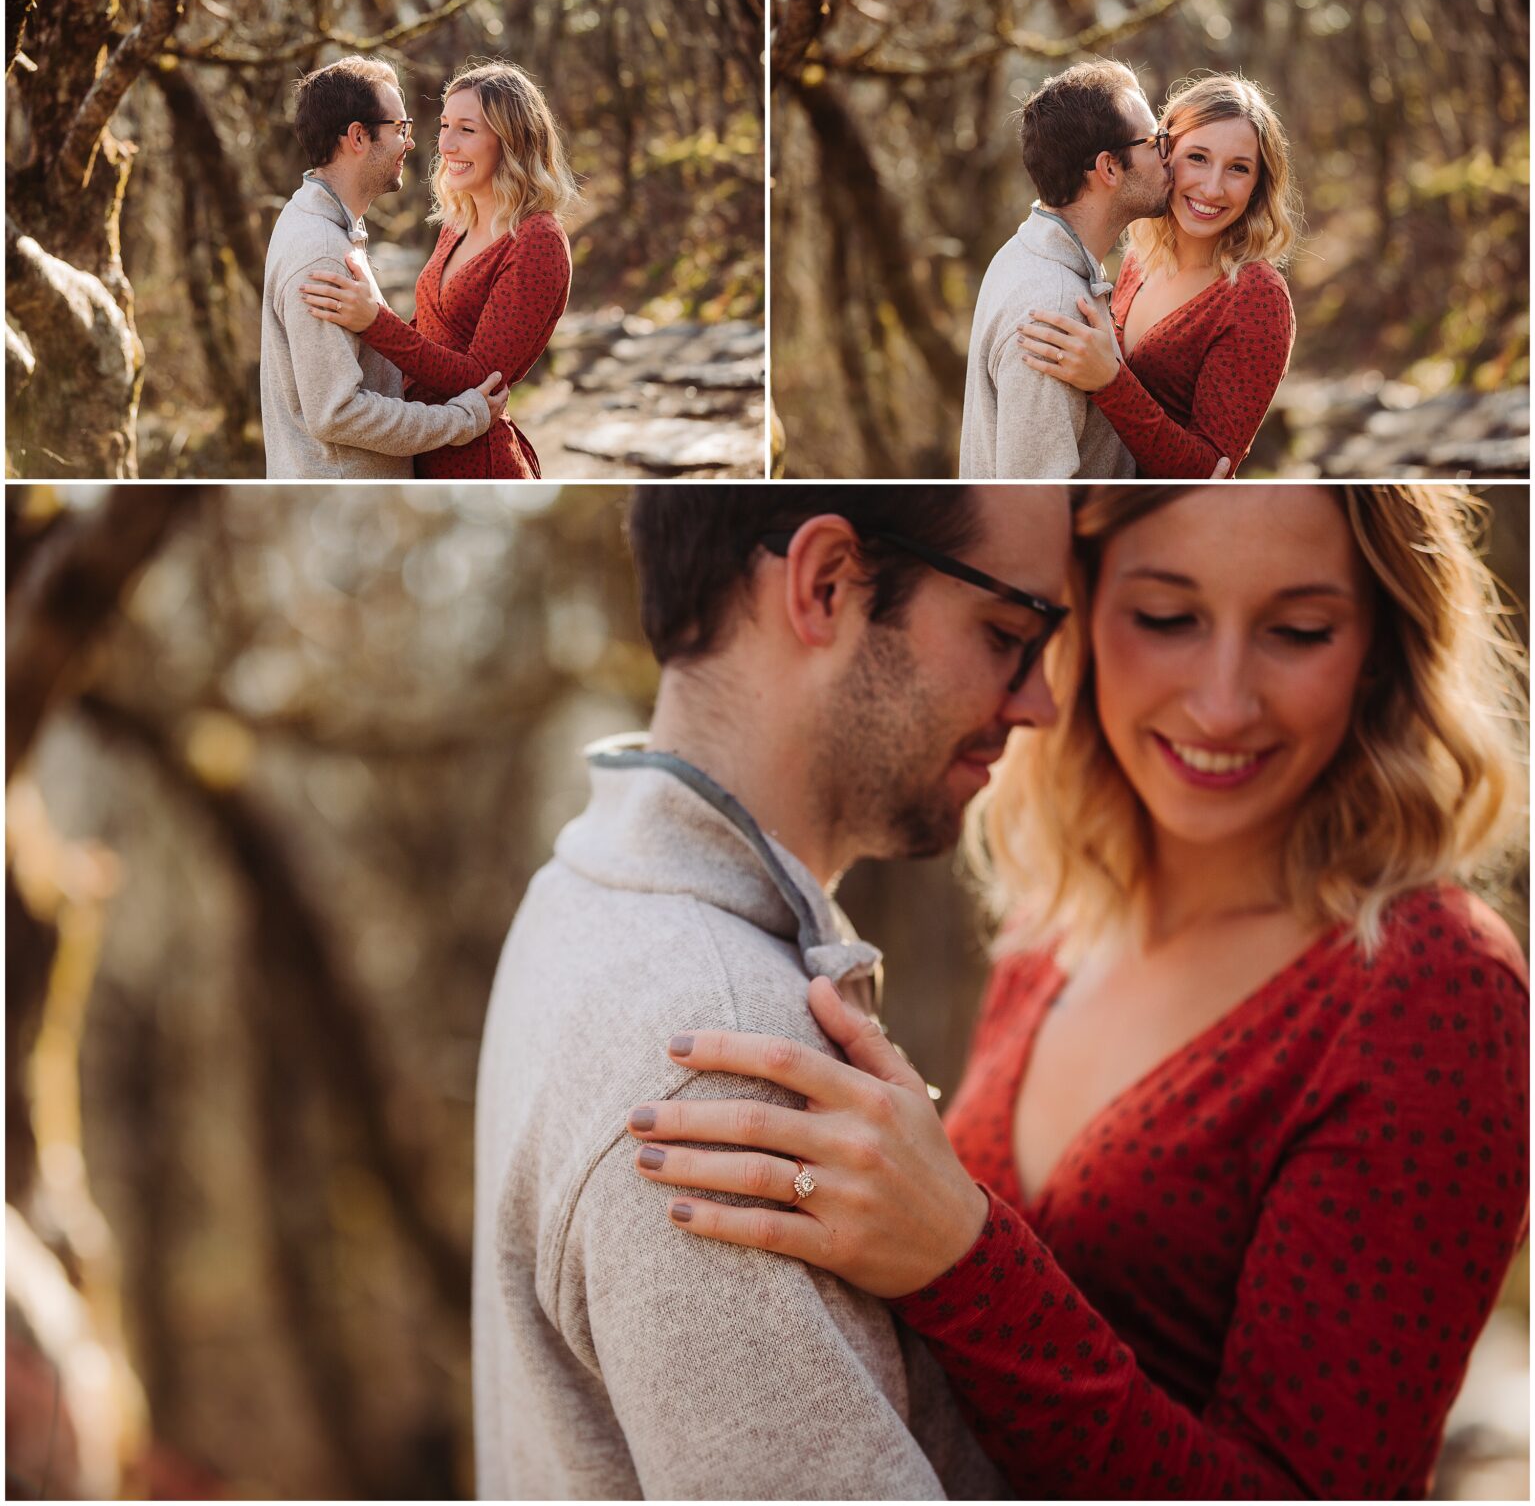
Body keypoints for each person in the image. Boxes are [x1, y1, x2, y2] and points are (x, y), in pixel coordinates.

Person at [623, 485, 1529, 1502]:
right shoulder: (1049, 931)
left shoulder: (1431, 992)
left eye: (1297, 630)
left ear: (1378, 648)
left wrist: (964, 1263)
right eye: (1165, 617)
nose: (1222, 700)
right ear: (1079, 612)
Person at [473, 485, 1075, 1500]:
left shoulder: (575, 890)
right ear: (826, 584)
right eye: (1008, 630)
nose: (1037, 702)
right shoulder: (725, 1058)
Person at [300, 62, 572, 480]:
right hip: (422, 444)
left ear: (511, 140)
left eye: (467, 129)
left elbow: (482, 378)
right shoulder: (457, 220)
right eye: (445, 125)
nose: (446, 144)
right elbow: (427, 331)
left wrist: (376, 322)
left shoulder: (538, 241)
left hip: (476, 464)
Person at [1022, 74, 1298, 476]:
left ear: (1258, 186)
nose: (1212, 188)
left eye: (1238, 168)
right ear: (1164, 153)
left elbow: (1208, 470)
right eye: (1198, 158)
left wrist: (1111, 383)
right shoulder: (1140, 259)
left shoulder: (1256, 296)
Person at [260, 55, 505, 478]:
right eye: (399, 128)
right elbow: (337, 412)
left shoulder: (319, 222)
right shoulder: (319, 251)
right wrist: (462, 420)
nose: (409, 142)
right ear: (358, 136)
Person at [960, 59, 1168, 478]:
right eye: (1154, 140)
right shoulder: (1054, 309)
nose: (1170, 154)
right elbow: (1036, 504)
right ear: (1109, 168)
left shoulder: (1022, 254)